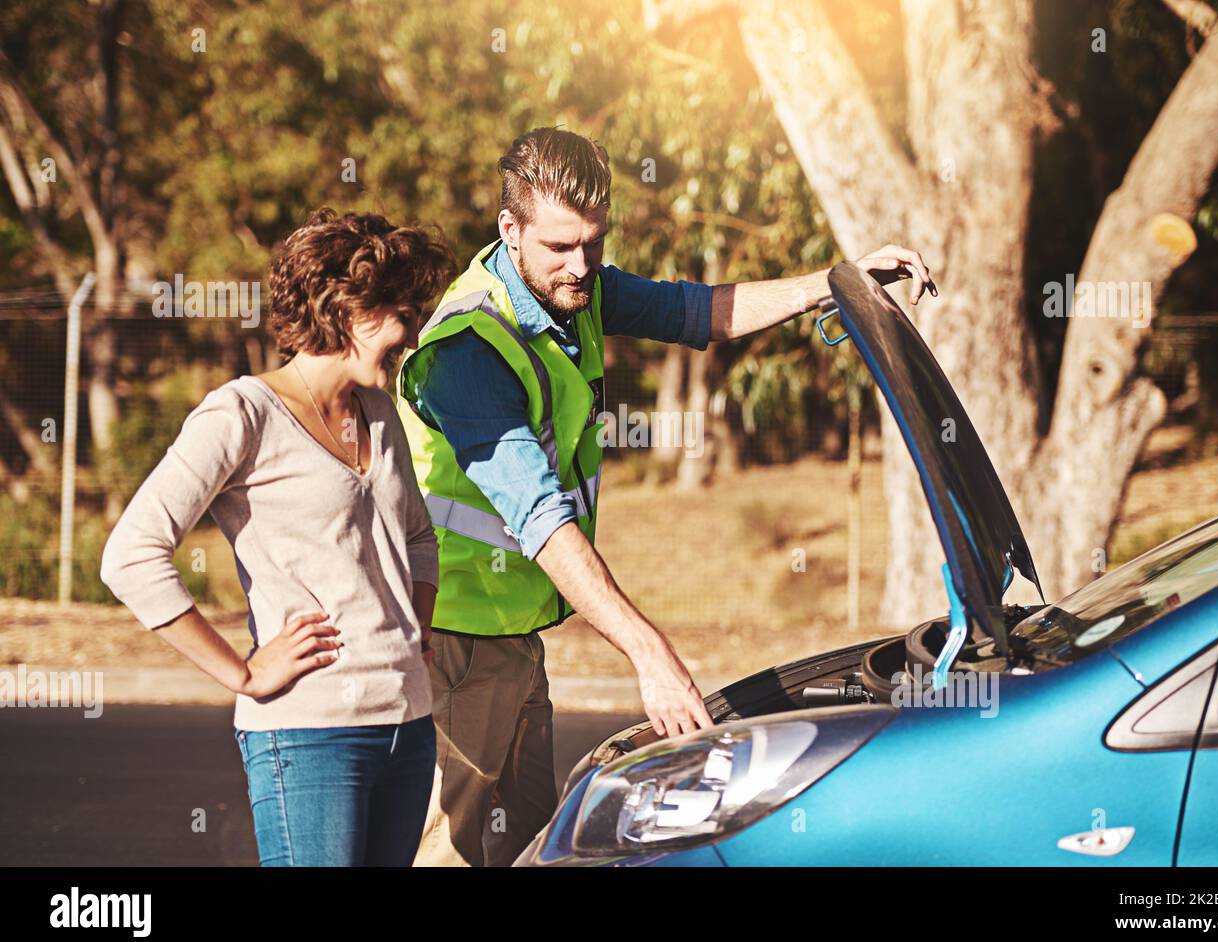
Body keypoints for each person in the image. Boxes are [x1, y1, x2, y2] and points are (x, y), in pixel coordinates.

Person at [396, 127, 938, 867]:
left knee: (529, 847)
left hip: (513, 637)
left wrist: (833, 281)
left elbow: (698, 311)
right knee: (452, 854)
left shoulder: (571, 290)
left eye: (594, 240)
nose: (581, 265)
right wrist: (649, 653)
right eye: (560, 246)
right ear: (509, 230)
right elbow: (541, 518)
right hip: (453, 643)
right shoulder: (468, 348)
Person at [100, 207, 456, 866]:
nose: (413, 329)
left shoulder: (378, 412)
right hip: (310, 734)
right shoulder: (243, 413)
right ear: (352, 310)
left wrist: (418, 628)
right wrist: (242, 672)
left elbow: (419, 539)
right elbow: (131, 554)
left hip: (406, 728)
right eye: (403, 311)